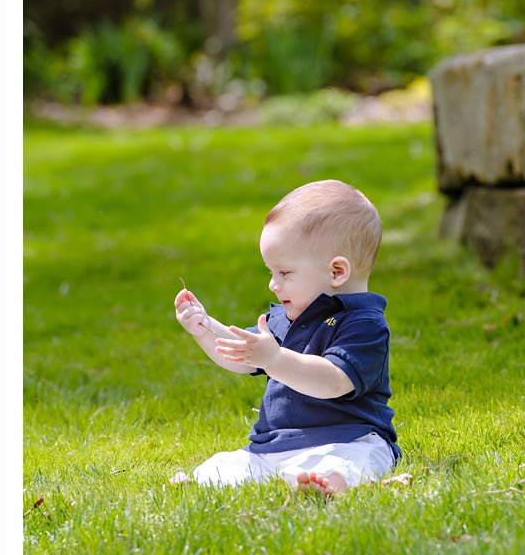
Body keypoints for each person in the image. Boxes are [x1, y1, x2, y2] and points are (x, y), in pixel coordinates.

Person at [172, 179, 401, 495]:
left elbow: (332, 381)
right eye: (271, 272)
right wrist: (205, 327)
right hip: (274, 447)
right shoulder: (285, 317)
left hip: (348, 437)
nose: (272, 284)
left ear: (336, 272)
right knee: (224, 465)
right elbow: (242, 354)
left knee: (354, 459)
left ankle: (330, 483)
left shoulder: (364, 324)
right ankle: (205, 483)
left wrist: (275, 359)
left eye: (284, 273)